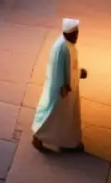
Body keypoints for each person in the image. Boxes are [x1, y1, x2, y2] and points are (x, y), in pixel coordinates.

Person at [31, 19, 87, 154]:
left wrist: (78, 73)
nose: (76, 37)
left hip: (68, 89)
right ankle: (39, 135)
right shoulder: (62, 48)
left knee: (66, 117)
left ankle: (67, 141)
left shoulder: (67, 45)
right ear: (68, 33)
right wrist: (64, 87)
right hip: (63, 91)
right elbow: (59, 71)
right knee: (53, 114)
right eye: (75, 34)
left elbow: (71, 68)